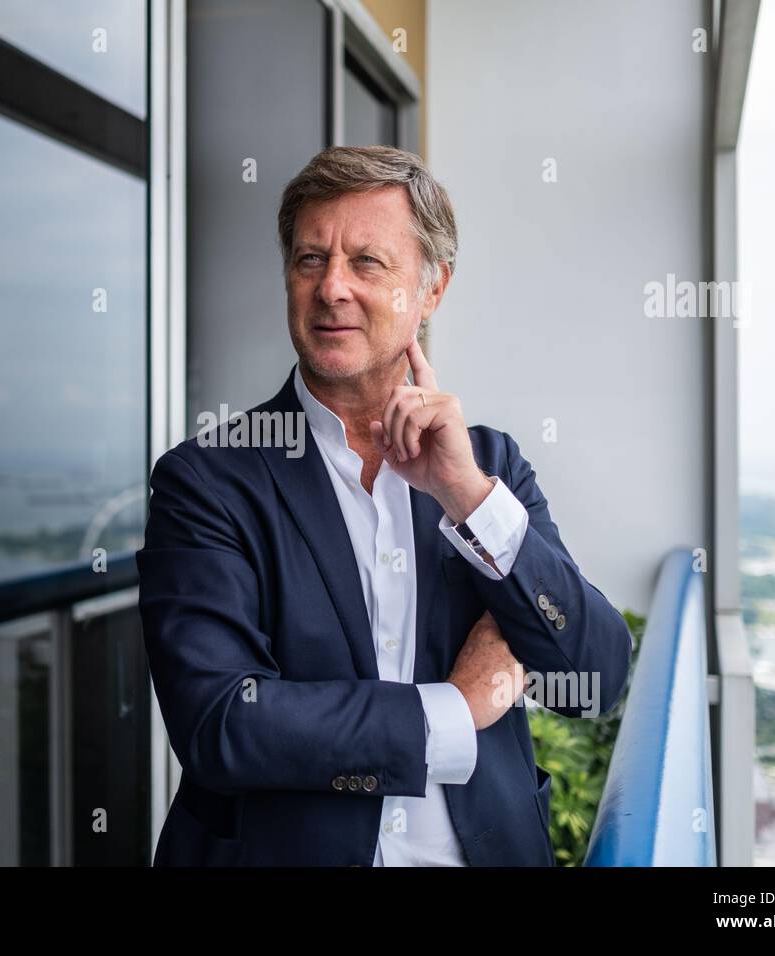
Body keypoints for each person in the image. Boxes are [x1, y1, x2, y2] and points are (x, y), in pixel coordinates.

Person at [137, 145, 633, 866]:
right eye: (311, 260)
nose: (331, 287)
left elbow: (596, 679)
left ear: (432, 291)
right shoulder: (206, 482)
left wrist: (467, 499)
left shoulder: (489, 467)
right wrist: (455, 711)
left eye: (367, 262)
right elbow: (224, 723)